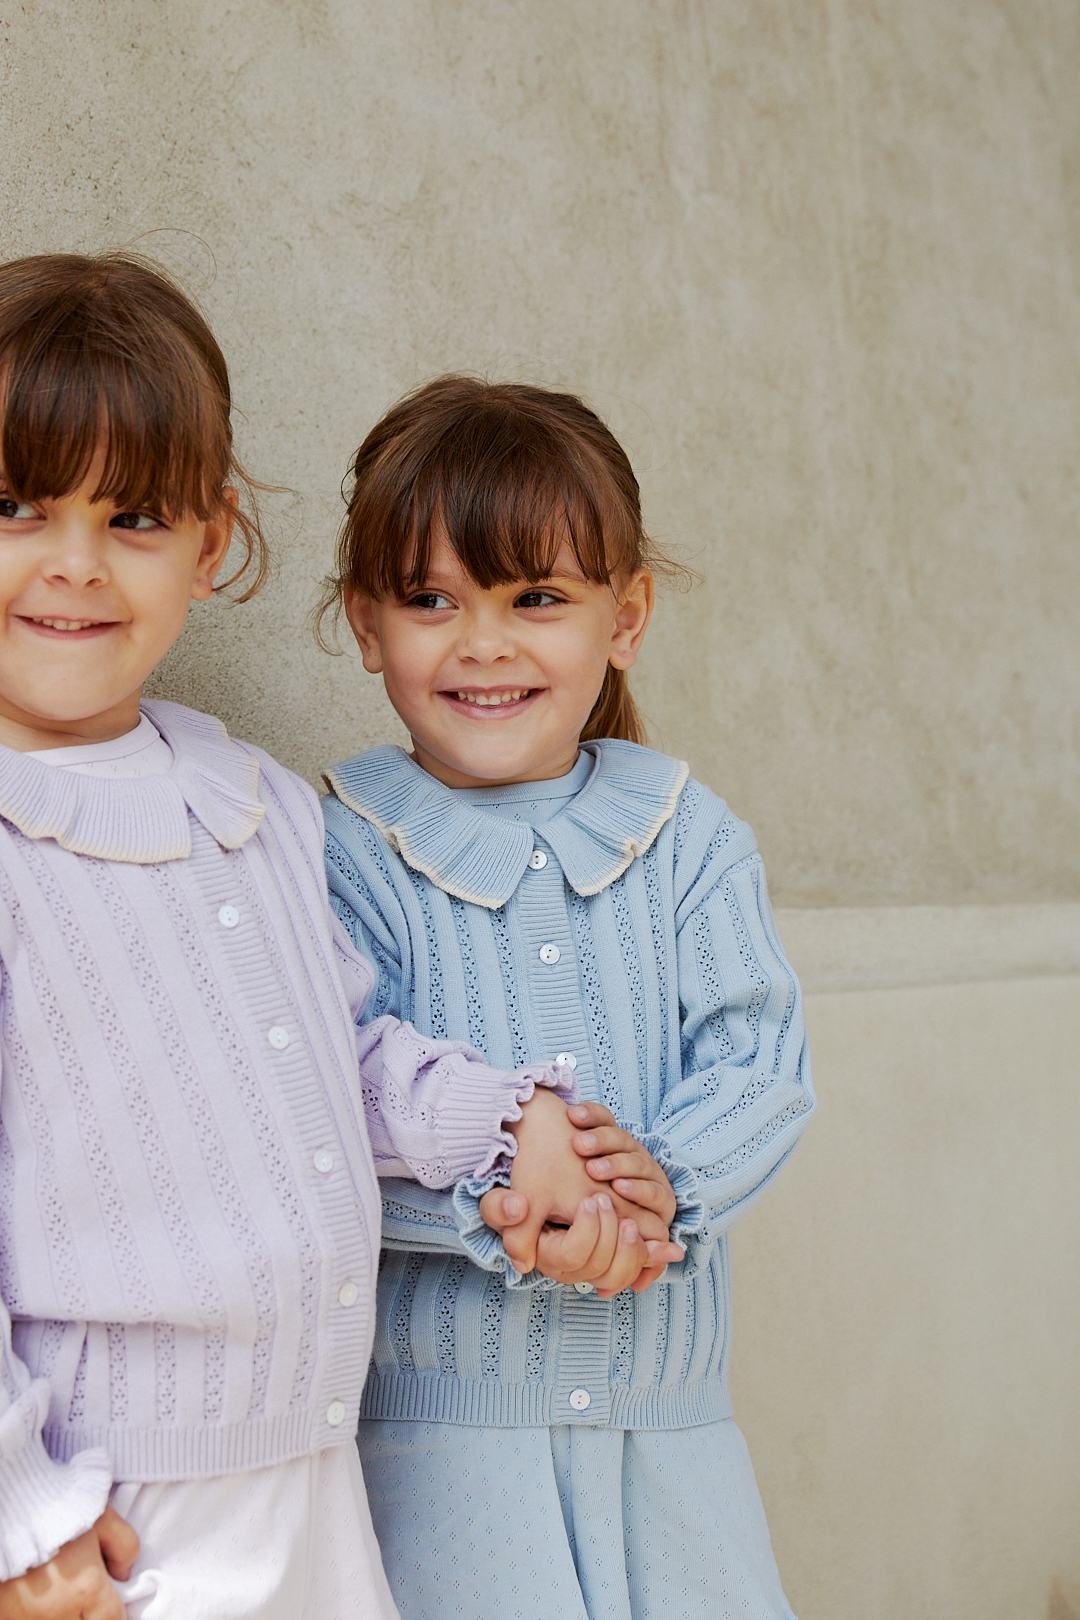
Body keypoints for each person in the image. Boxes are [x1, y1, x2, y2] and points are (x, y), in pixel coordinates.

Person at [0, 259, 579, 1620]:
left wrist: (507, 1126)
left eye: (130, 515)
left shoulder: (253, 802)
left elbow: (334, 1057)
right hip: (101, 1514)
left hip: (311, 1472)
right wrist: (23, 1514)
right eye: (16, 506)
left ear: (213, 541)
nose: (75, 562)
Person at [321, 376, 817, 1620]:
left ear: (626, 617)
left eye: (535, 597)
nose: (483, 642)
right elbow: (335, 1097)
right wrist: (510, 1210)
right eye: (434, 601)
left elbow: (758, 1059)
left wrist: (661, 1189)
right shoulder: (342, 851)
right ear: (367, 625)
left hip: (674, 1438)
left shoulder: (690, 840)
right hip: (444, 1450)